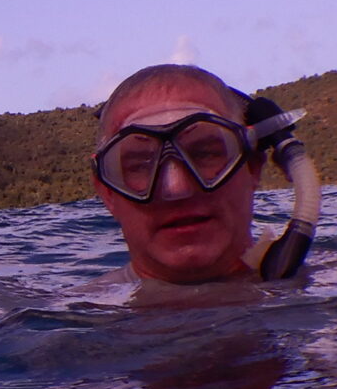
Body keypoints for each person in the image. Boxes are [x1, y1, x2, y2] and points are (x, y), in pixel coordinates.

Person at [91, 63, 319, 289]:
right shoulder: (80, 312)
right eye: (141, 164)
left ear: (252, 166)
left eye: (205, 154)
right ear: (108, 192)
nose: (176, 189)